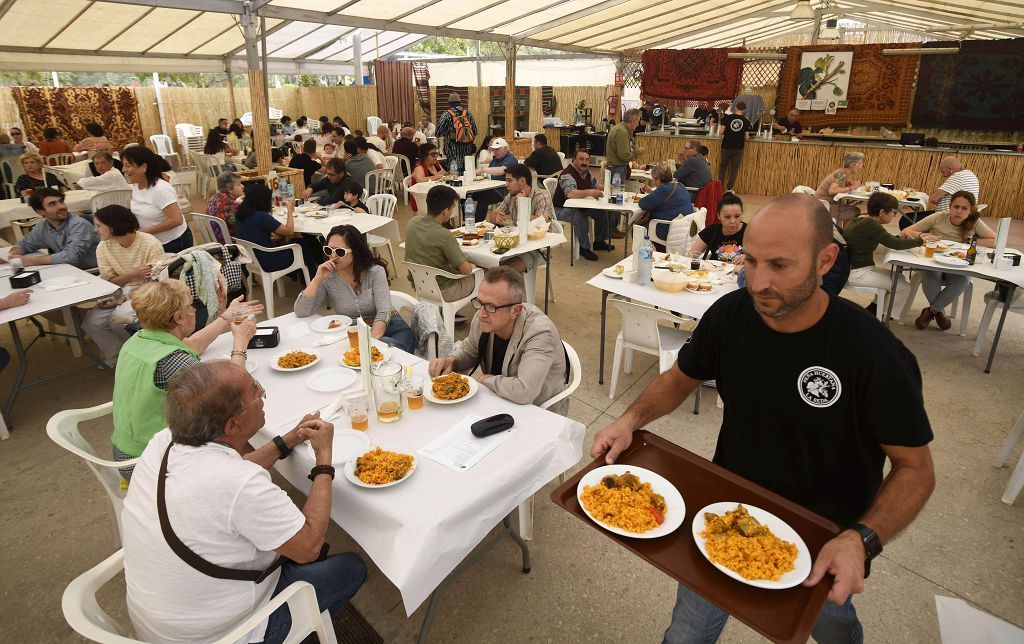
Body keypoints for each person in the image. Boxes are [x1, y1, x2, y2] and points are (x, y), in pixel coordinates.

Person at [592, 193, 935, 644]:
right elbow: (680, 378)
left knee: (832, 627)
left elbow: (916, 470)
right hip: (725, 511)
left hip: (824, 536)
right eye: (751, 261)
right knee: (687, 632)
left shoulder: (872, 352)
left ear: (826, 260)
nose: (757, 282)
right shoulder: (731, 316)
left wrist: (861, 539)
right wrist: (630, 420)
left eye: (780, 265)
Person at [122, 360, 367, 643]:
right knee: (350, 567)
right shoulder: (240, 483)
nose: (262, 396)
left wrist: (287, 440)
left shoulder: (164, 441)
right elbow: (308, 547)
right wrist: (324, 458)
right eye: (256, 392)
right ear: (232, 424)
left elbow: (224, 475)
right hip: (225, 635)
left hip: (162, 623)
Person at [111, 280, 261, 476]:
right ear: (179, 317)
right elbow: (230, 390)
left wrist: (226, 317)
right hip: (148, 461)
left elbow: (193, 345)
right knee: (235, 426)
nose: (195, 310)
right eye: (191, 306)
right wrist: (240, 342)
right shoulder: (171, 360)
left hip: (126, 449)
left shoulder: (140, 339)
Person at [429, 266, 568, 414]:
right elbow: (469, 351)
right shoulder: (483, 318)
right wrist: (452, 361)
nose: (481, 313)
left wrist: (487, 380)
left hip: (539, 412)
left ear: (515, 311)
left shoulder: (540, 333)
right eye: (479, 302)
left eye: (490, 306)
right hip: (500, 401)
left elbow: (524, 391)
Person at [296, 225, 414, 353]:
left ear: (356, 251)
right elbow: (302, 311)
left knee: (386, 349)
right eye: (329, 250)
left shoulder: (375, 272)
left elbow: (383, 312)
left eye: (340, 252)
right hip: (354, 333)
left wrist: (368, 345)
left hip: (391, 327)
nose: (333, 256)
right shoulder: (328, 275)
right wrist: (317, 279)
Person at [83, 205, 166, 366]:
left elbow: (154, 283)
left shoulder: (149, 243)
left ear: (113, 226)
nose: (95, 230)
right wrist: (132, 274)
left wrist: (122, 296)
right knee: (92, 322)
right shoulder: (104, 246)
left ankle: (137, 358)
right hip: (117, 291)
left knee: (118, 320)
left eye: (99, 225)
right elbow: (108, 280)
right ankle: (118, 357)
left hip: (146, 293)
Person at [901, 190, 995, 330]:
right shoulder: (938, 217)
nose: (959, 211)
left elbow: (994, 240)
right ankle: (939, 312)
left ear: (971, 210)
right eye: (956, 207)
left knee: (963, 280)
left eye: (964, 208)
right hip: (933, 261)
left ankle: (932, 311)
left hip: (958, 264)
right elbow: (906, 231)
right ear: (950, 206)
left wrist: (970, 240)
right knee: (930, 275)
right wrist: (924, 235)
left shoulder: (975, 222)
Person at [844, 192, 928, 321]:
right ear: (882, 212)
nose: (895, 215)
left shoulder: (862, 219)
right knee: (904, 288)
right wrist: (921, 240)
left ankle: (874, 311)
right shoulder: (871, 225)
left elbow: (888, 238)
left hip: (855, 268)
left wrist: (901, 238)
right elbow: (895, 244)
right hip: (857, 273)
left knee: (899, 276)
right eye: (894, 212)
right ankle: (882, 319)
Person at [404, 184, 478, 301]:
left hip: (419, 285)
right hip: (444, 290)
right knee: (482, 274)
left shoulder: (412, 223)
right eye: (453, 208)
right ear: (446, 211)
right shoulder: (445, 235)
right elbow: (466, 270)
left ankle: (448, 312)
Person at [122, 145, 193, 253]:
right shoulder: (137, 185)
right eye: (123, 166)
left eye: (127, 166)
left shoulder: (161, 189)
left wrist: (145, 232)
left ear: (144, 167)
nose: (123, 170)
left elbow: (176, 220)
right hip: (154, 242)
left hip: (174, 242)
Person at [7, 188, 98, 269]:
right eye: (52, 204)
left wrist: (31, 261)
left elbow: (71, 256)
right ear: (40, 211)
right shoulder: (43, 226)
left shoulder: (79, 224)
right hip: (69, 269)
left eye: (61, 201)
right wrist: (12, 255)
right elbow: (26, 244)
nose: (61, 207)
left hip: (93, 272)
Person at [488, 163, 553, 275]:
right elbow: (492, 216)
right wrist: (496, 218)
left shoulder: (542, 196)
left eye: (509, 180)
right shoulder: (511, 196)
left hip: (537, 248)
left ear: (522, 181)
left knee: (504, 272)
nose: (506, 184)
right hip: (516, 245)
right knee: (488, 264)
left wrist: (523, 207)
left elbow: (542, 224)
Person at [553, 148, 612, 261]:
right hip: (560, 209)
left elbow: (595, 185)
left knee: (602, 212)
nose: (584, 162)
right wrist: (590, 192)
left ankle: (599, 242)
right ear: (573, 160)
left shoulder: (586, 172)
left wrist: (609, 188)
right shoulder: (567, 174)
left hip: (579, 206)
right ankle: (584, 248)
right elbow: (570, 193)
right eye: (581, 159)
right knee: (580, 217)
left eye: (586, 159)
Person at [234, 183, 306, 273]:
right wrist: (290, 211)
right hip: (269, 261)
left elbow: (255, 233)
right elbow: (289, 231)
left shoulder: (240, 213)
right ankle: (311, 277)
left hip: (252, 259)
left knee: (298, 242)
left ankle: (304, 275)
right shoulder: (261, 216)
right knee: (302, 244)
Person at [637, 165, 693, 242]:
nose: (653, 181)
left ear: (658, 179)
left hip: (670, 229)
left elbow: (643, 204)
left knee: (638, 228)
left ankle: (649, 251)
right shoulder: (680, 185)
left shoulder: (663, 189)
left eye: (653, 178)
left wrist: (652, 194)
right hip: (686, 229)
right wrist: (652, 192)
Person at [688, 193, 746, 263]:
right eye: (727, 217)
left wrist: (749, 258)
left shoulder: (750, 231)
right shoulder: (712, 231)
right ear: (718, 216)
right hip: (713, 272)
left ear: (742, 214)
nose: (733, 221)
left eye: (737, 216)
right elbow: (691, 256)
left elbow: (760, 258)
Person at [815, 151, 866, 224]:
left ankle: (842, 232)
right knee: (854, 211)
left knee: (853, 210)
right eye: (860, 165)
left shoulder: (844, 172)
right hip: (823, 205)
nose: (861, 167)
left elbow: (839, 186)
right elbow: (832, 190)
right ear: (852, 165)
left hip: (824, 203)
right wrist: (851, 188)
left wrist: (849, 184)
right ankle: (845, 234)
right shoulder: (842, 173)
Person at [435, 91, 478, 169]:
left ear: (449, 102)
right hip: (467, 149)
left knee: (454, 171)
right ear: (459, 102)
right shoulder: (467, 113)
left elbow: (438, 132)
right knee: (467, 169)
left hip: (452, 148)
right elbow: (474, 131)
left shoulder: (447, 114)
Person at [474, 137, 518, 212]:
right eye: (493, 149)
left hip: (504, 190)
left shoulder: (511, 159)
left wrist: (483, 170)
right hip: (492, 188)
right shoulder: (494, 160)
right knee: (468, 196)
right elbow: (490, 173)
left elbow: (501, 170)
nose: (494, 151)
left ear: (505, 149)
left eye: (497, 149)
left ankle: (478, 222)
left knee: (483, 198)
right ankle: (466, 220)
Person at [718, 102, 751, 192]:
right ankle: (729, 189)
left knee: (723, 167)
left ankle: (719, 188)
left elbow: (721, 132)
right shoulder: (746, 121)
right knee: (734, 169)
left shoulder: (727, 118)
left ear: (736, 107)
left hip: (726, 146)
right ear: (744, 110)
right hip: (738, 147)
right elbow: (747, 137)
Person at [606, 109, 644, 187]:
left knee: (615, 193)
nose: (638, 124)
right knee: (616, 194)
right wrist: (638, 152)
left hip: (615, 167)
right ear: (633, 120)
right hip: (617, 169)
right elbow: (623, 155)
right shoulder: (622, 132)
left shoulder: (620, 128)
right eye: (638, 121)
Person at [206, 171, 243, 241]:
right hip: (229, 241)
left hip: (216, 237)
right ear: (229, 189)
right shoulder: (230, 206)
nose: (242, 186)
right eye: (239, 184)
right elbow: (241, 226)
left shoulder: (214, 198)